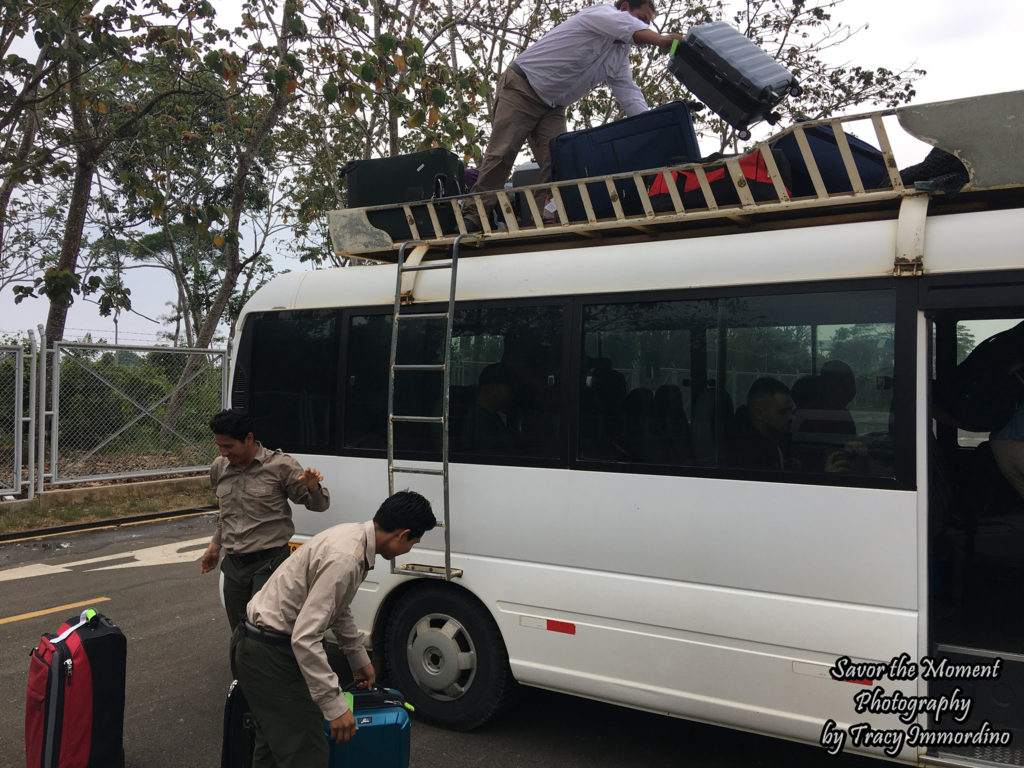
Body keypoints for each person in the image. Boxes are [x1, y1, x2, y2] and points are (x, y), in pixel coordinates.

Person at [230, 491, 437, 768]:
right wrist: (335, 706)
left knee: (272, 747)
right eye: (414, 542)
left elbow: (337, 608)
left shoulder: (352, 536)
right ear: (403, 534)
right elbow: (305, 638)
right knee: (307, 754)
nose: (409, 549)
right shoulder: (346, 558)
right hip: (269, 655)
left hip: (260, 645)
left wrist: (358, 657)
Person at [462, 0, 682, 231]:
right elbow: (627, 26)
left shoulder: (619, 53)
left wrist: (650, 126)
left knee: (558, 163)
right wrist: (661, 40)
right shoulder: (601, 14)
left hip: (553, 105)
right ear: (626, 6)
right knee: (502, 154)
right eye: (643, 18)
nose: (645, 25)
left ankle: (540, 221)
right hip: (521, 88)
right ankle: (473, 218)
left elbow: (628, 92)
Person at [200, 409, 330, 630]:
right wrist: (214, 546)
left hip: (269, 564)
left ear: (249, 438)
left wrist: (313, 487)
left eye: (229, 446)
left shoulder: (281, 466)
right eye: (219, 446)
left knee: (264, 630)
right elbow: (227, 513)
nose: (223, 453)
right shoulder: (219, 467)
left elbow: (319, 506)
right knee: (239, 632)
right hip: (234, 565)